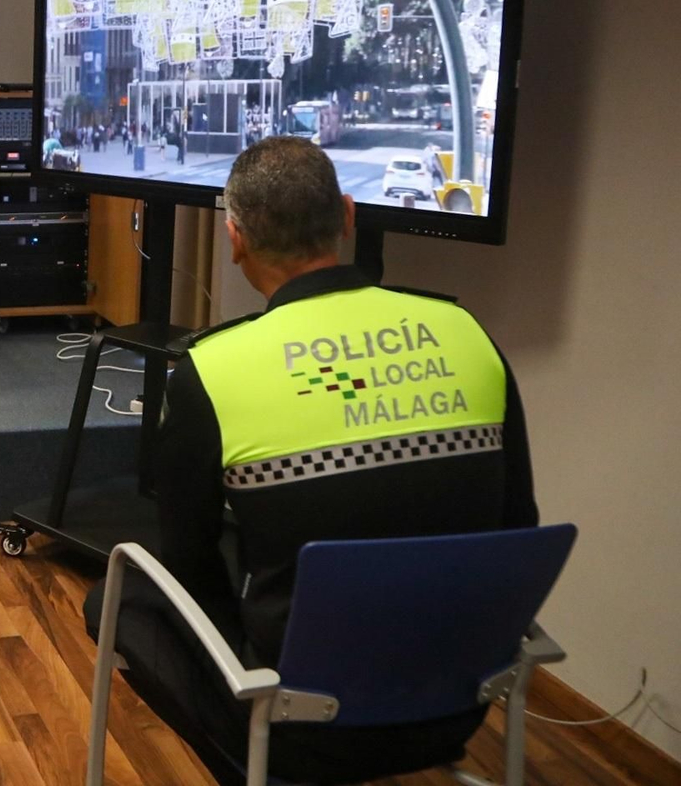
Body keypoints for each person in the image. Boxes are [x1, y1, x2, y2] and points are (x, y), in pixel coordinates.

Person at [85, 136, 537, 786]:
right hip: (460, 705)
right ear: (349, 216)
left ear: (234, 237)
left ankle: (253, 763)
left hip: (305, 730)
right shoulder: (468, 334)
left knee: (116, 597)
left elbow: (190, 565)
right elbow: (519, 521)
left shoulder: (212, 369)